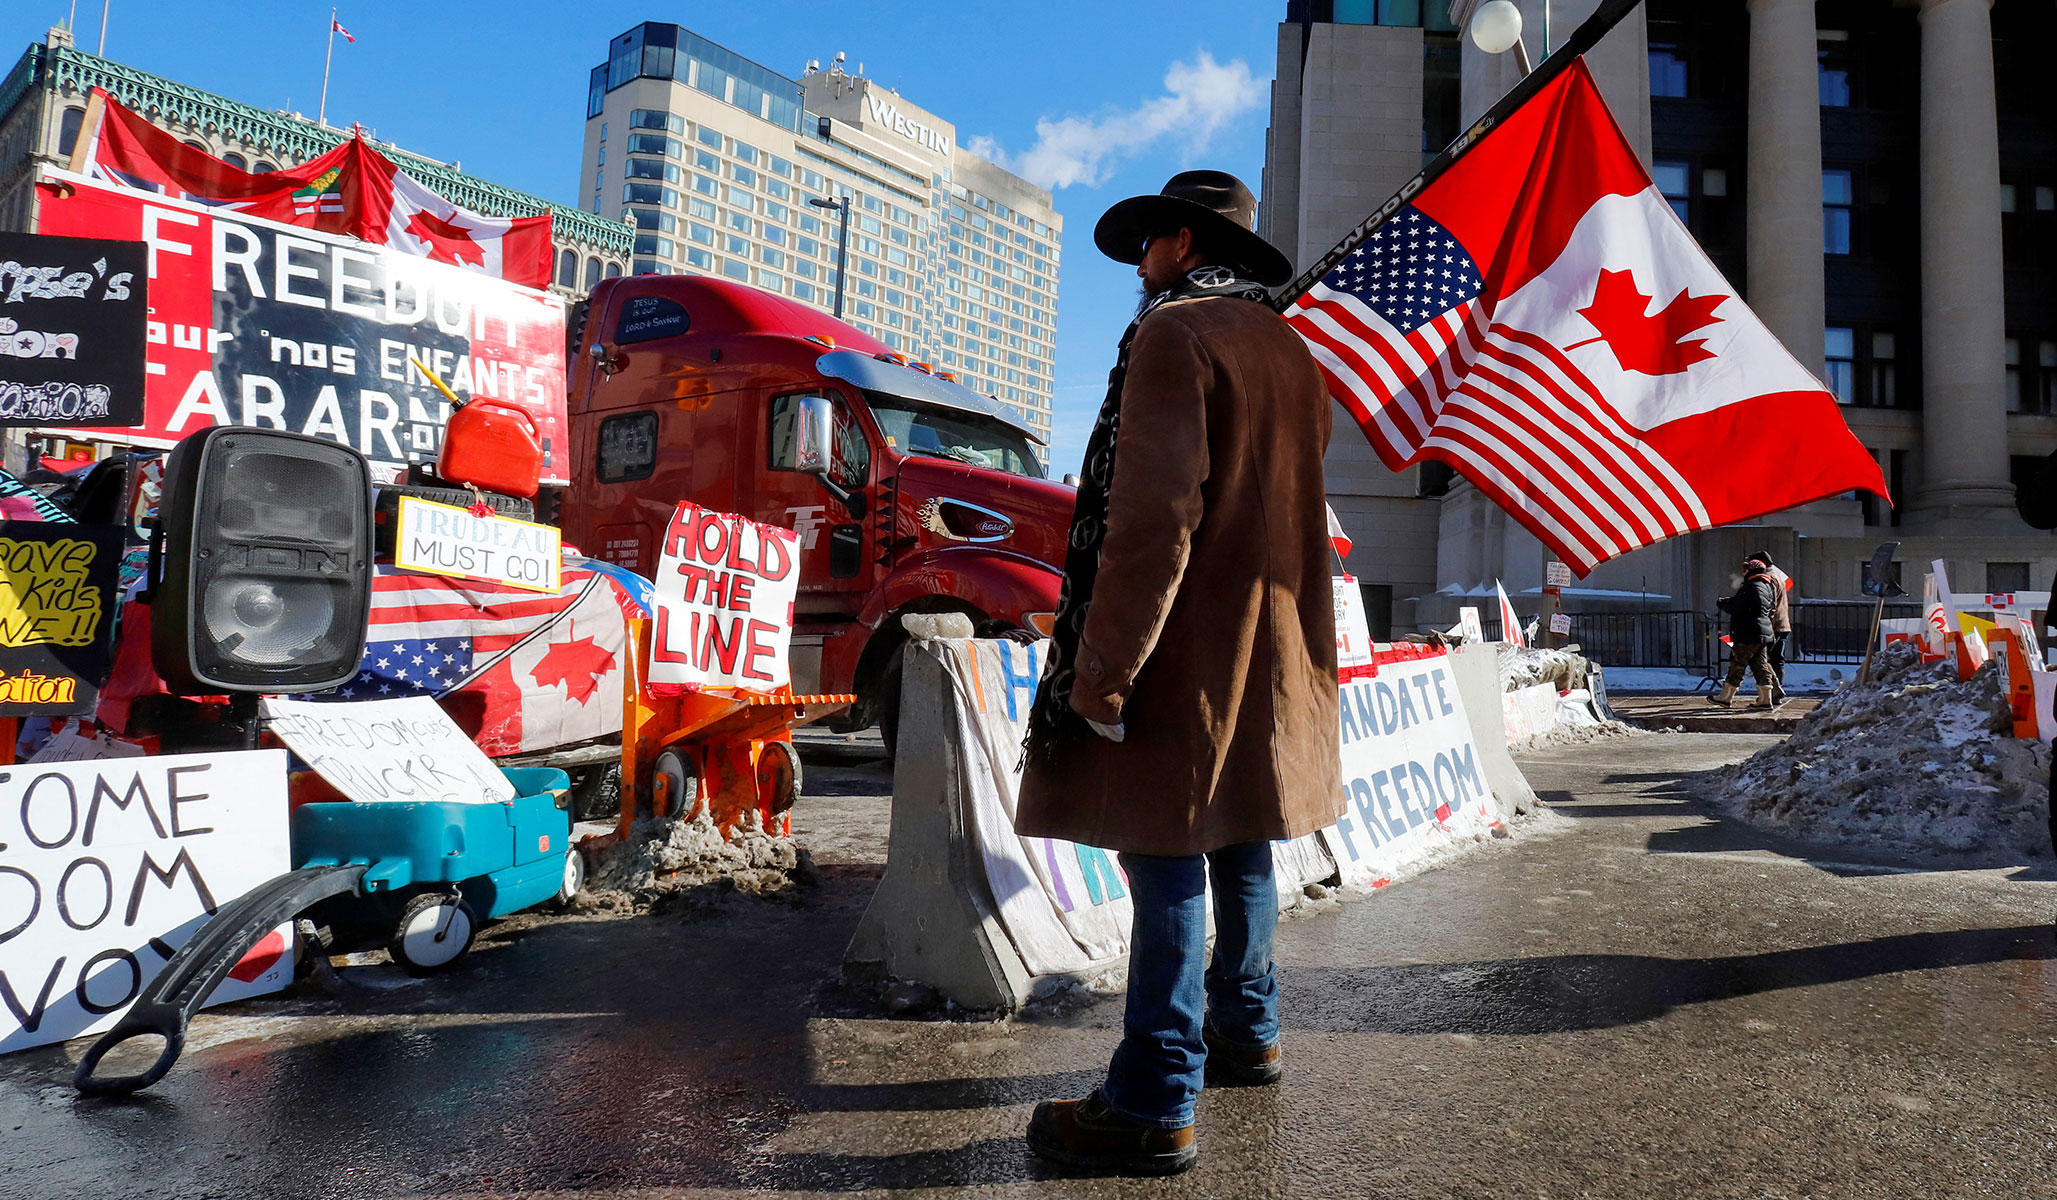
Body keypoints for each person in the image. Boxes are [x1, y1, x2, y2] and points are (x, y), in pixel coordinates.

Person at [1013, 170, 1343, 1176]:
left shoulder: (1173, 335)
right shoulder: (1290, 351)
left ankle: (1154, 1096)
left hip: (1182, 655)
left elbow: (1151, 519)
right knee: (1239, 839)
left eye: (1148, 242)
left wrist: (1102, 671)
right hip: (1270, 649)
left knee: (1162, 859)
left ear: (1186, 248)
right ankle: (1247, 1034)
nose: (1138, 264)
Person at [1714, 555, 1780, 707]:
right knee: (1760, 665)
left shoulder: (1751, 586)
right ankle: (1765, 699)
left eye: (1746, 570)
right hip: (1762, 633)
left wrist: (1723, 603)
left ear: (1751, 571)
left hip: (1747, 633)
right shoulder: (1766, 586)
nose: (1744, 573)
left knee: (1737, 663)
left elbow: (1738, 607)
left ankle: (1726, 697)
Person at [1753, 547, 1793, 703]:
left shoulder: (1767, 578)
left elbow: (1768, 604)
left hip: (1772, 626)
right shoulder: (1778, 576)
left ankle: (1774, 691)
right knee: (1777, 660)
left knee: (1761, 659)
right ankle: (1776, 691)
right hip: (1783, 624)